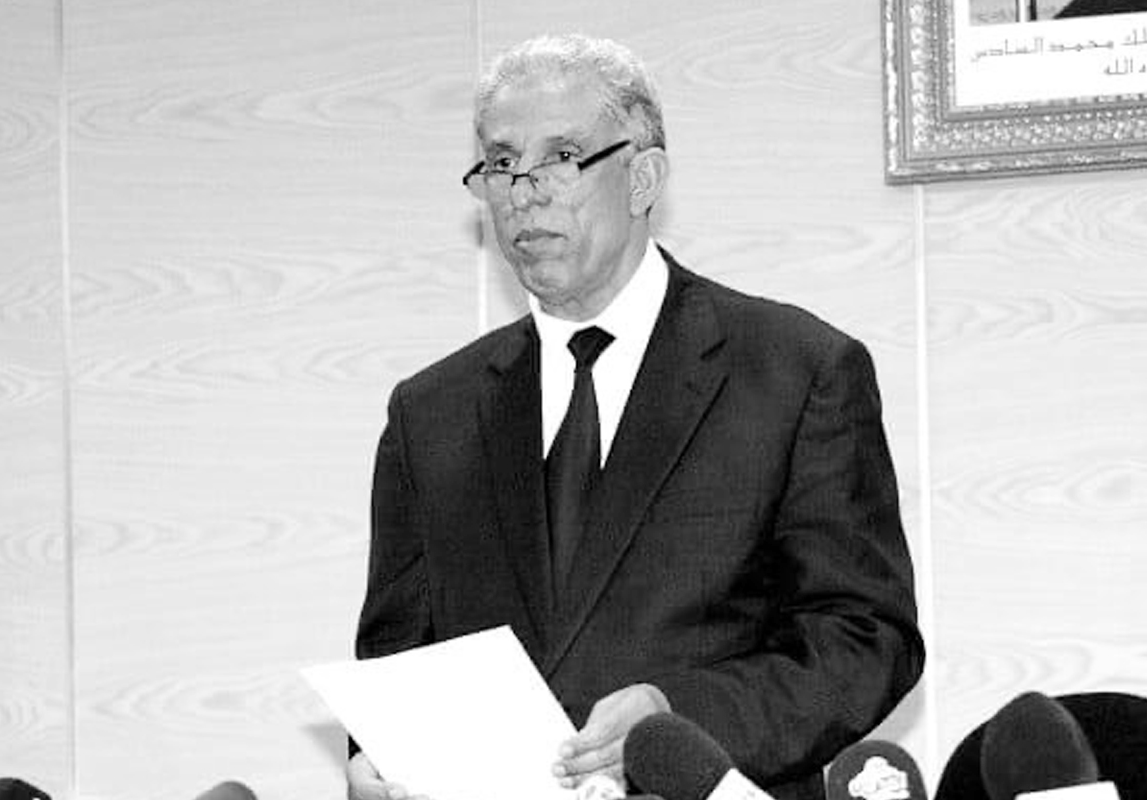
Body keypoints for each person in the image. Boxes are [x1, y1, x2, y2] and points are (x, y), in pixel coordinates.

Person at [348, 34, 923, 800]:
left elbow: (866, 640)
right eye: (502, 162)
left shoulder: (795, 371)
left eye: (561, 157)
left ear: (644, 177)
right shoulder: (430, 415)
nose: (523, 192)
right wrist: (376, 764)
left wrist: (678, 718)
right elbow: (395, 671)